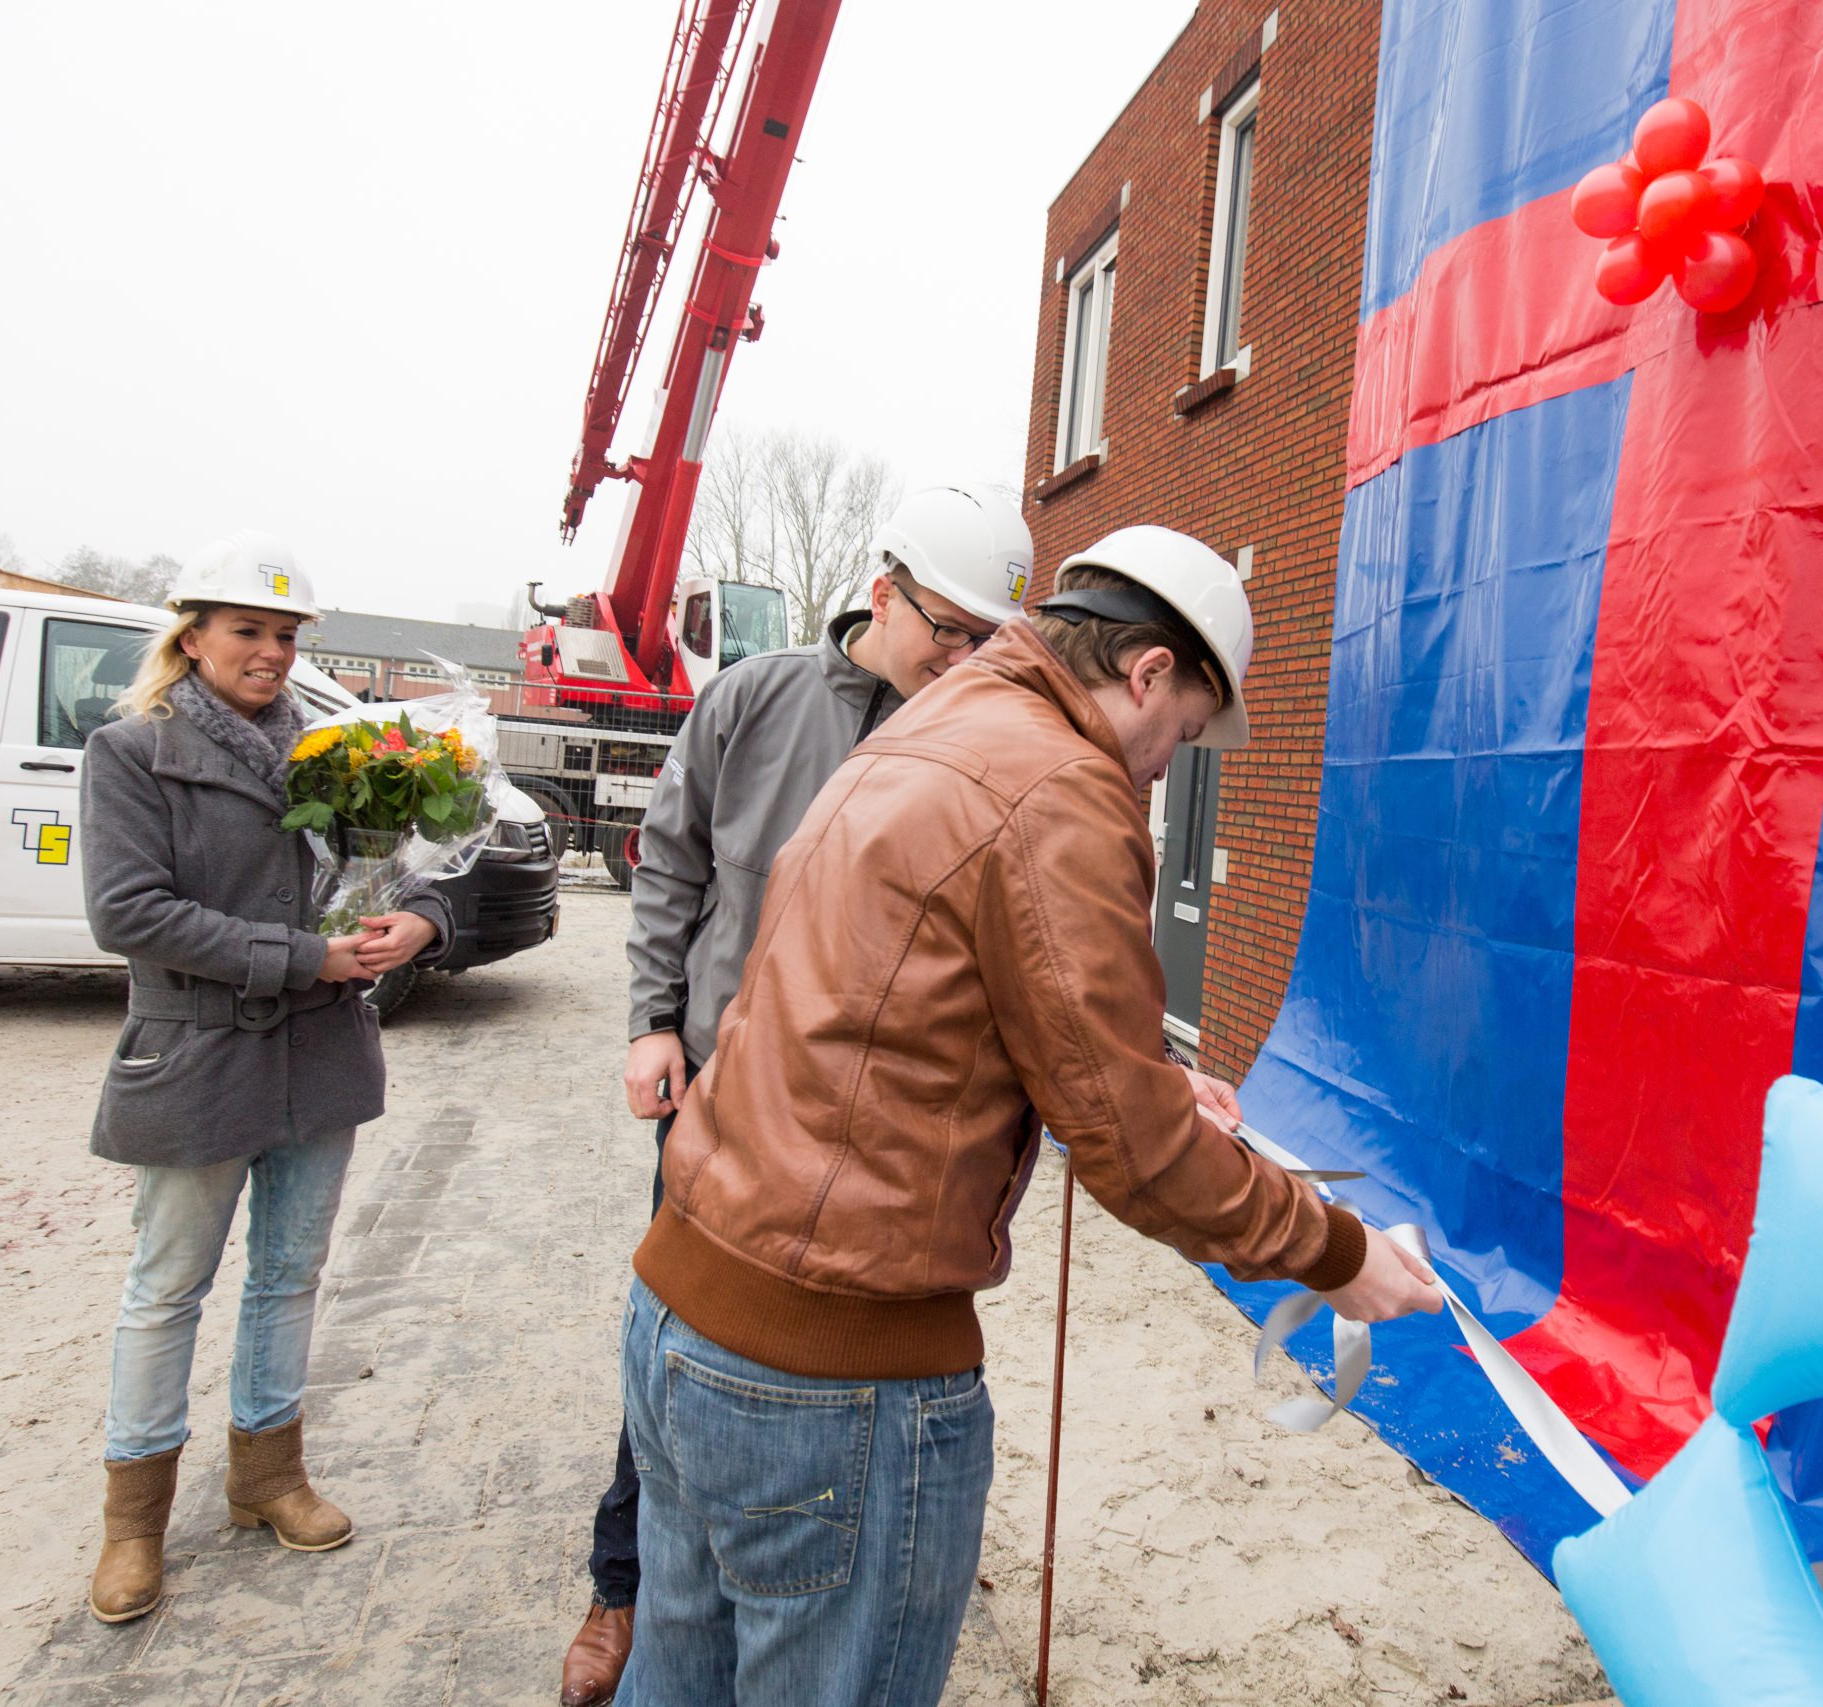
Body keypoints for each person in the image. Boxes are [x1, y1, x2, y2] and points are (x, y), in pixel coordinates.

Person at [615, 525, 1445, 1706]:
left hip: (685, 1309)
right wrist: (1336, 1253)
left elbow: (927, 979)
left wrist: (1140, 1062)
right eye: (1189, 733)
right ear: (1148, 672)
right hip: (829, 1375)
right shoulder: (1062, 787)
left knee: (677, 1683)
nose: (1171, 767)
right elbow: (1138, 1154)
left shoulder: (935, 725)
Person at [560, 484, 1034, 1707]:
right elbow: (668, 861)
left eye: (991, 640)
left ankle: (829, 1543)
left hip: (865, 1118)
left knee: (800, 1372)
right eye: (949, 628)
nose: (965, 657)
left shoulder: (979, 735)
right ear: (882, 595)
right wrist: (650, 1023)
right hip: (718, 1087)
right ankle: (623, 1591)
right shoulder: (753, 699)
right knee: (684, 1356)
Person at [79, 532, 447, 1624]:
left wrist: (419, 922)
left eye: (287, 636)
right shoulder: (132, 751)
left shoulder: (340, 752)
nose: (273, 653)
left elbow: (420, 862)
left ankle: (268, 1476)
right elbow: (128, 913)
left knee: (290, 1273)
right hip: (199, 1051)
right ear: (191, 637)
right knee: (167, 1288)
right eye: (250, 631)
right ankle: (132, 1523)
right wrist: (304, 957)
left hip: (318, 1054)